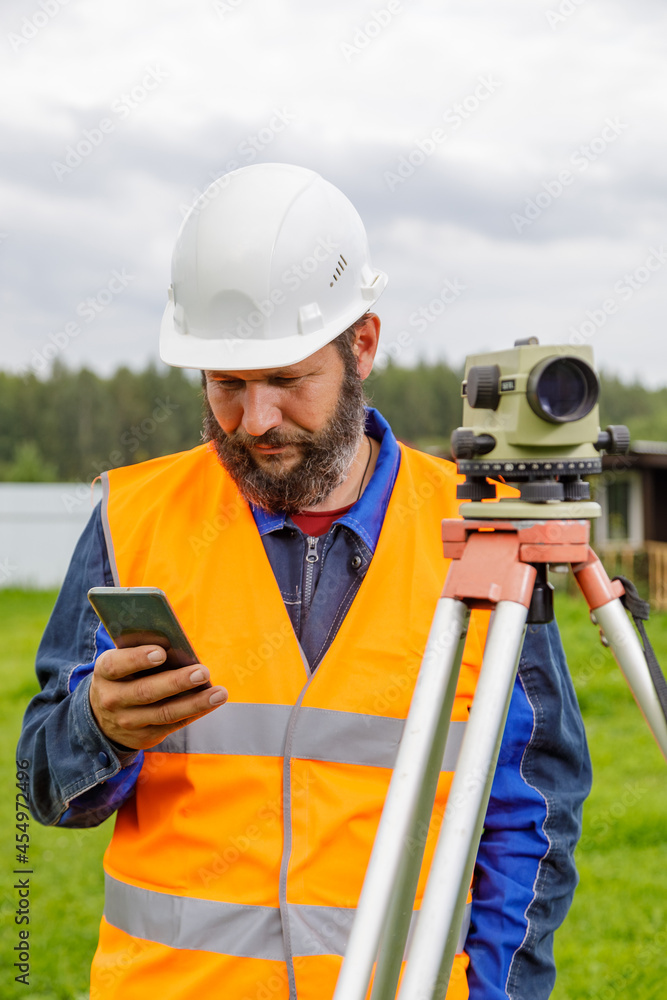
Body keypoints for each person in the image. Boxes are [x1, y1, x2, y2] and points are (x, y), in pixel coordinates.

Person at [18, 163, 591, 1000]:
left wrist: (495, 989)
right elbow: (45, 785)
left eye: (287, 380)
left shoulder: (481, 527)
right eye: (226, 385)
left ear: (360, 345)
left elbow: (533, 806)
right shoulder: (131, 515)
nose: (254, 422)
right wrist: (95, 727)